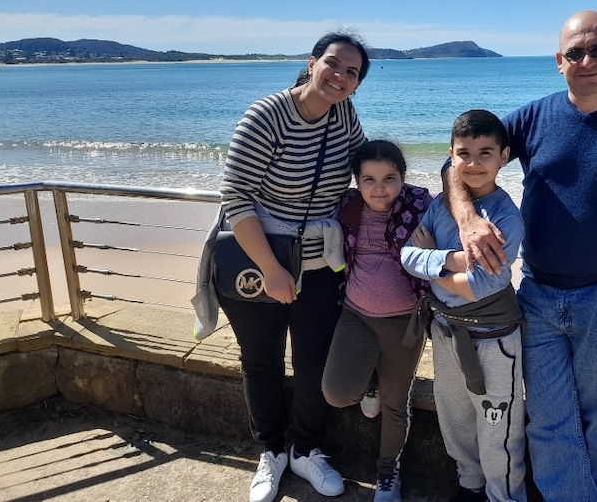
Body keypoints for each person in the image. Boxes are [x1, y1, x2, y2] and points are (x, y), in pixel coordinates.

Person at [446, 11, 597, 501]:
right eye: (576, 52)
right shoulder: (533, 119)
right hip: (540, 296)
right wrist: (467, 217)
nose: (588, 60)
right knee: (548, 422)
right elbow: (459, 160)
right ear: (559, 61)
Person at [217, 32, 370, 502]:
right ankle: (271, 452)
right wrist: (272, 270)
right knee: (260, 361)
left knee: (313, 364)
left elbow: (367, 168)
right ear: (311, 63)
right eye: (333, 64)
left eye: (352, 73)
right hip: (256, 259)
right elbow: (236, 197)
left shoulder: (343, 115)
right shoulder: (266, 115)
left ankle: (306, 450)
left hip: (319, 265)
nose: (340, 77)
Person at [401, 110, 527, 502]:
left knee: (499, 427)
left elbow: (480, 287)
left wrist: (432, 260)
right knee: (454, 416)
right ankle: (469, 487)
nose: (473, 163)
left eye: (485, 153)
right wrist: (454, 260)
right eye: (464, 153)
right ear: (450, 157)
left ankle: (503, 495)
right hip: (444, 330)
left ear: (504, 157)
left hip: (493, 340)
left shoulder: (506, 217)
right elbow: (406, 255)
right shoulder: (441, 206)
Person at [321, 140, 432, 502]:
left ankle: (389, 471)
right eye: (368, 179)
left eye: (389, 178)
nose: (379, 188)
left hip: (404, 322)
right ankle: (368, 383)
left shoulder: (422, 206)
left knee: (394, 403)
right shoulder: (347, 206)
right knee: (337, 393)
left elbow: (459, 206)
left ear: (403, 178)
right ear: (356, 180)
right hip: (356, 315)